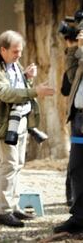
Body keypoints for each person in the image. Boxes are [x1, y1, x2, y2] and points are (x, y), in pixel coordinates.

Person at [0, 30, 55, 228]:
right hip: (5, 125)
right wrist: (35, 91)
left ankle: (13, 206)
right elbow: (6, 93)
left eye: (20, 51)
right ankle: (3, 212)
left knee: (18, 165)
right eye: (15, 52)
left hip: (20, 120)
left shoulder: (13, 63)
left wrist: (28, 78)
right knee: (9, 165)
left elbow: (18, 86)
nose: (19, 55)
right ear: (3, 50)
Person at [54, 30, 83, 234]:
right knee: (77, 167)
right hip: (79, 119)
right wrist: (74, 48)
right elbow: (71, 78)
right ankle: (79, 217)